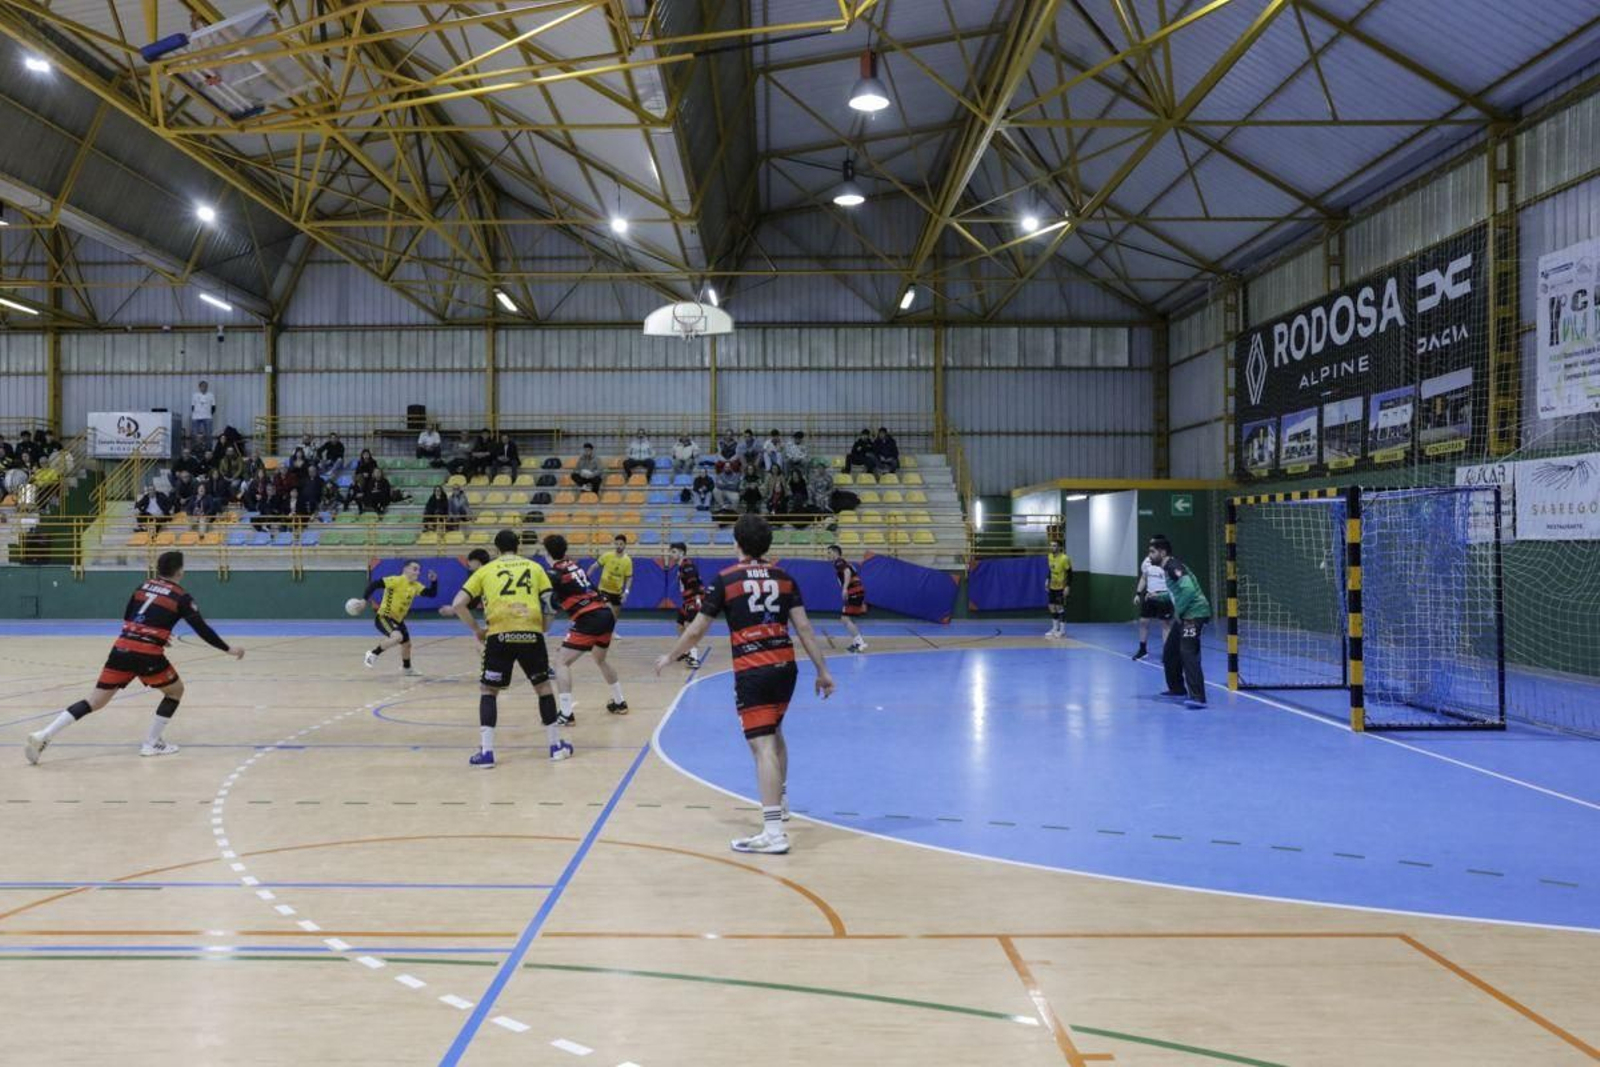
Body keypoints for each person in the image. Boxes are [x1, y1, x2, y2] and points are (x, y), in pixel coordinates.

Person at [654, 515, 835, 855]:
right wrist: (823, 671)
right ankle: (779, 803)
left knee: (762, 747)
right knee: (776, 733)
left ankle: (774, 832)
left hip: (753, 670)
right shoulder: (785, 578)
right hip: (786, 667)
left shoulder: (726, 579)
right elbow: (805, 629)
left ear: (736, 542)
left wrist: (671, 656)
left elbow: (695, 630)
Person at [23, 551, 245, 764]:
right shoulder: (181, 597)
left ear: (158, 568)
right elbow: (201, 629)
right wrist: (228, 649)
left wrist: (155, 635)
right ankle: (151, 744)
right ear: (180, 571)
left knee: (95, 701)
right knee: (175, 691)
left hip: (121, 648)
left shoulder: (143, 587)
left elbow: (129, 616)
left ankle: (44, 734)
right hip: (146, 654)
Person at [441, 529, 569, 766]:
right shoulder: (534, 567)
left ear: (496, 549)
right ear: (518, 546)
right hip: (531, 633)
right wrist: (543, 628)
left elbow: (458, 604)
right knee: (543, 688)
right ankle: (555, 747)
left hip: (499, 634)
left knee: (489, 691)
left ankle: (487, 753)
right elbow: (551, 604)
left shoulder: (486, 570)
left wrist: (477, 630)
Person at [541, 533, 628, 723]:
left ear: (548, 553)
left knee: (561, 663)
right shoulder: (574, 565)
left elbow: (551, 605)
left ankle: (566, 713)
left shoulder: (554, 573)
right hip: (606, 613)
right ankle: (620, 702)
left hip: (589, 618)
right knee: (600, 659)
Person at [1148, 536, 1211, 708]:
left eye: (1152, 552)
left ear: (1163, 552)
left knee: (1187, 652)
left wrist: (1178, 611)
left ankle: (1198, 697)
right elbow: (1176, 592)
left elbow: (1189, 590)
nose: (1149, 556)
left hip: (1194, 614)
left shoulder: (1172, 566)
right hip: (1186, 615)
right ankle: (1177, 689)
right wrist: (1158, 597)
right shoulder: (1167, 568)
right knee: (1169, 652)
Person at [357, 560, 438, 676]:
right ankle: (373, 653)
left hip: (398, 620)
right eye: (415, 569)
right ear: (405, 569)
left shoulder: (415, 586)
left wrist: (434, 581)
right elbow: (374, 584)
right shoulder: (396, 580)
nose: (418, 573)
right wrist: (364, 600)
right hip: (384, 617)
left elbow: (431, 594)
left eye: (419, 570)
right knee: (397, 637)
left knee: (407, 645)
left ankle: (407, 668)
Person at [1132, 535, 1175, 661]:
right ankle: (1142, 649)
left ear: (1162, 551)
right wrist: (1138, 593)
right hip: (1149, 596)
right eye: (1150, 550)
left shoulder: (1169, 564)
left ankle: (1166, 652)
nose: (1150, 553)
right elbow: (1144, 578)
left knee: (1165, 624)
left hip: (1164, 597)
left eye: (1153, 550)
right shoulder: (1147, 562)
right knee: (1143, 622)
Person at [667, 541, 706, 668]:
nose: (671, 554)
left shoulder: (687, 566)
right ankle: (685, 650)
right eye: (670, 551)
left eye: (673, 552)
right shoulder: (681, 566)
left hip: (694, 600)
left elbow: (695, 585)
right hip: (687, 600)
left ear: (682, 553)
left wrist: (697, 601)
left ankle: (694, 658)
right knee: (680, 625)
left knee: (690, 628)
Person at [825, 543, 870, 652]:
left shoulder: (839, 562)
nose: (828, 555)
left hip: (854, 591)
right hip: (856, 591)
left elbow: (847, 572)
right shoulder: (843, 562)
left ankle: (860, 643)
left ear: (836, 553)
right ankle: (856, 642)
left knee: (844, 618)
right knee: (846, 618)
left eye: (829, 553)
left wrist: (845, 588)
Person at [588, 534, 633, 617]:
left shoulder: (628, 561)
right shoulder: (607, 556)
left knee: (615, 616)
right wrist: (586, 579)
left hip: (617, 592)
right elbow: (593, 566)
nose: (618, 546)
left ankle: (610, 630)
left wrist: (626, 593)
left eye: (621, 544)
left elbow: (629, 578)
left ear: (625, 545)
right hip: (604, 590)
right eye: (617, 544)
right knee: (609, 612)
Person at [1044, 538, 1073, 639]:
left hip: (1061, 586)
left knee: (1060, 608)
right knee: (1052, 607)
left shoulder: (1064, 558)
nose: (1053, 547)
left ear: (1059, 547)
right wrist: (1047, 579)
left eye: (1055, 545)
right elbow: (1050, 570)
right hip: (1052, 586)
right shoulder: (1050, 556)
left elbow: (1070, 573)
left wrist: (1067, 586)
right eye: (1051, 545)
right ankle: (1054, 628)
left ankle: (1062, 630)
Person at [190, 380, 217, 450]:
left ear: (207, 387)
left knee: (208, 434)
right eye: (202, 386)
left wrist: (208, 413)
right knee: (194, 434)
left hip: (207, 417)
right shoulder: (195, 395)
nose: (204, 388)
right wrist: (197, 413)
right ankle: (195, 449)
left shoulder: (211, 395)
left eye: (205, 387)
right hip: (196, 417)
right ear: (199, 387)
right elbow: (192, 406)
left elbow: (213, 407)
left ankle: (208, 449)